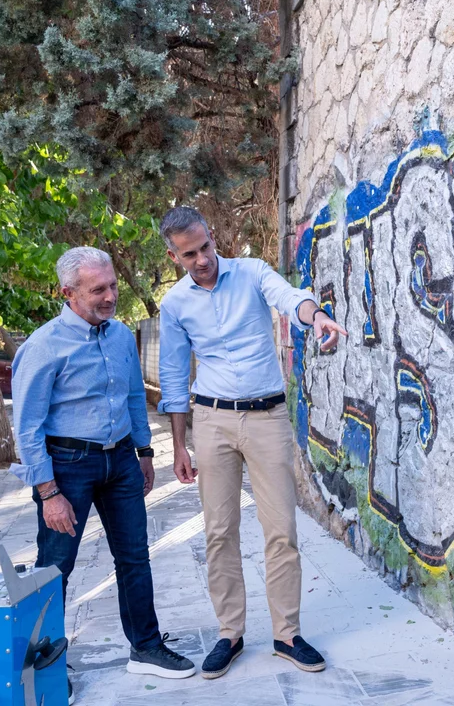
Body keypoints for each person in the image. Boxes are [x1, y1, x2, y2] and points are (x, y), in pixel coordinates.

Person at [157, 207, 347, 679]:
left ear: (213, 235)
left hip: (267, 417)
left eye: (205, 247)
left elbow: (290, 298)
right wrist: (180, 446)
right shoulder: (175, 305)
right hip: (212, 421)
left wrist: (316, 315)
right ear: (174, 256)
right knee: (219, 533)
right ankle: (230, 634)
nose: (201, 259)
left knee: (281, 529)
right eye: (189, 254)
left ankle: (287, 634)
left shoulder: (251, 272)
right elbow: (174, 378)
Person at [11, 247, 197, 703]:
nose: (111, 295)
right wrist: (48, 492)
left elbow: (135, 396)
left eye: (112, 285)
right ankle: (48, 666)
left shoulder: (118, 337)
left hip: (121, 465)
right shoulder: (43, 346)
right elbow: (28, 428)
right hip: (67, 469)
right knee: (55, 569)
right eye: (98, 289)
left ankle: (146, 647)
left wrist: (145, 452)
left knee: (134, 558)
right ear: (67, 292)